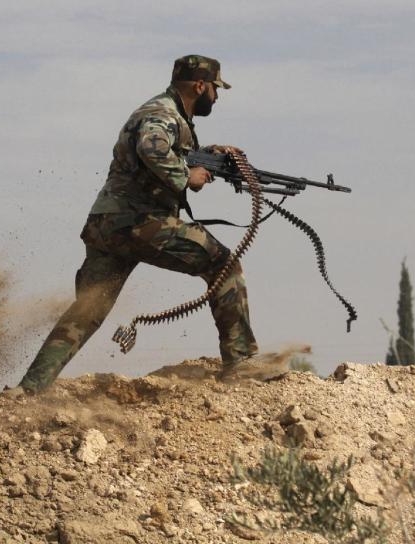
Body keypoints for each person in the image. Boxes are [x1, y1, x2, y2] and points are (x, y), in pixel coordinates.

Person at [19, 55, 258, 393]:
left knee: (89, 309)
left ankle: (30, 388)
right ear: (200, 86)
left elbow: (160, 147)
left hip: (108, 225)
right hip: (140, 222)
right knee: (223, 263)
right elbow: (151, 145)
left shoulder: (166, 113)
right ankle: (241, 362)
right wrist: (185, 175)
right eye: (215, 90)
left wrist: (207, 154)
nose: (216, 98)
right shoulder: (163, 114)